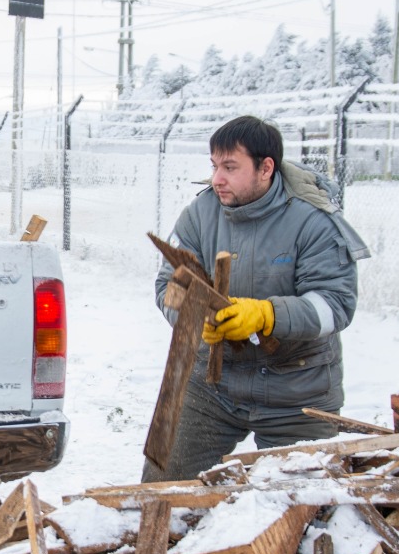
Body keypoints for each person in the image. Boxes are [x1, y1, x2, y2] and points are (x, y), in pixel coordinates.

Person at [145, 115, 368, 481]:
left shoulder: (314, 220)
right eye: (215, 166)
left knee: (301, 503)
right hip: (213, 385)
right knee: (162, 487)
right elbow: (168, 285)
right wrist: (194, 316)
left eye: (230, 167)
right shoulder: (200, 214)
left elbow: (335, 305)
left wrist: (268, 314)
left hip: (297, 392)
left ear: (266, 168)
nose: (217, 179)